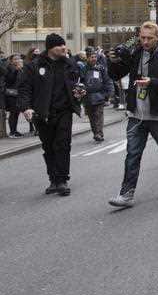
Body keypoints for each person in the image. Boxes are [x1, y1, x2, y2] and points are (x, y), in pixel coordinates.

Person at [107, 22, 158, 207]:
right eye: (142, 37)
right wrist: (113, 61)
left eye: (149, 38)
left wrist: (152, 82)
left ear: (157, 37)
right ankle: (126, 193)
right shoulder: (134, 54)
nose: (145, 41)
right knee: (132, 154)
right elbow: (115, 74)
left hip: (157, 114)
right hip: (136, 114)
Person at [18, 34, 85, 196]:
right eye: (59, 46)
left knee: (62, 144)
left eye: (64, 45)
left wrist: (80, 92)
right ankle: (53, 180)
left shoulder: (70, 64)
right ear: (50, 49)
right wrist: (26, 107)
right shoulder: (33, 66)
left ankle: (62, 180)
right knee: (48, 147)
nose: (64, 48)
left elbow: (78, 83)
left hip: (64, 111)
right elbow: (24, 89)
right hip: (43, 113)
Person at [80, 49, 114, 142]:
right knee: (91, 117)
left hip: (99, 96)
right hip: (87, 97)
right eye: (91, 57)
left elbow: (107, 81)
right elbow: (80, 82)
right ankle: (95, 133)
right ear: (87, 58)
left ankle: (99, 133)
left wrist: (109, 94)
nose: (94, 59)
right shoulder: (83, 69)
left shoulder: (101, 68)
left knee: (98, 115)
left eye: (95, 57)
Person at [4, 55, 24, 138]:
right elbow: (10, 80)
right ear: (11, 61)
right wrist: (16, 70)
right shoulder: (9, 68)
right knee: (13, 113)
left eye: (19, 58)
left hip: (18, 93)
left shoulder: (20, 68)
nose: (17, 60)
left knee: (17, 113)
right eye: (15, 59)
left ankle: (15, 130)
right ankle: (12, 132)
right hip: (11, 94)